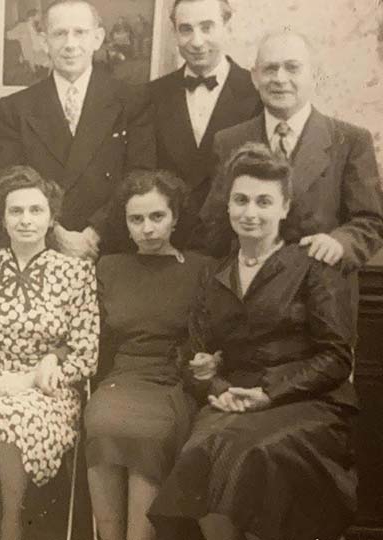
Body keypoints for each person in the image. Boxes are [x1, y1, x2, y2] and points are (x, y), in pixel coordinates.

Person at [149, 143, 358, 540]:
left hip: (305, 403)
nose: (251, 212)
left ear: (284, 207)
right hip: (232, 403)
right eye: (241, 200)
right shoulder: (216, 274)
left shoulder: (311, 266)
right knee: (200, 453)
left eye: (264, 202)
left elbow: (335, 358)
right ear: (227, 206)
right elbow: (190, 353)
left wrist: (269, 393)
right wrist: (211, 382)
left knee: (249, 454)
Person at [0, 165, 99, 540]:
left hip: (46, 386)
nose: (25, 220)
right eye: (16, 211)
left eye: (35, 210)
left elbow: (86, 353)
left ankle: (12, 521)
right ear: (3, 218)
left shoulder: (76, 272)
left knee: (14, 417)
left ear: (51, 218)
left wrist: (31, 378)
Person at [84, 170, 211, 540]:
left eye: (158, 217)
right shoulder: (109, 267)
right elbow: (96, 337)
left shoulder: (200, 268)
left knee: (150, 434)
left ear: (175, 218)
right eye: (136, 219)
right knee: (101, 423)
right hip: (120, 380)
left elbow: (207, 339)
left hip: (171, 382)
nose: (148, 228)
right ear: (125, 223)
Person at [200, 30, 383, 270]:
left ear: (314, 75)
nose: (280, 78)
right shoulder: (229, 141)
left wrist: (340, 243)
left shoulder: (350, 141)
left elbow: (371, 221)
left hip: (321, 288)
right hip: (249, 290)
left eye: (293, 68)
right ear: (255, 77)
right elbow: (214, 224)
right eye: (270, 69)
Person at [0, 0, 155, 259]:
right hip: (40, 247)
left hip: (111, 248)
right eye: (59, 34)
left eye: (80, 33)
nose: (70, 44)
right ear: (45, 41)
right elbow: (11, 181)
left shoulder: (131, 100)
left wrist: (95, 231)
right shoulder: (15, 109)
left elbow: (139, 177)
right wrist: (55, 232)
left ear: (98, 38)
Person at [130, 0, 262, 249]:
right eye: (186, 29)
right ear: (175, 34)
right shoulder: (152, 95)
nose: (197, 41)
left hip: (235, 245)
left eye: (207, 27)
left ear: (227, 26)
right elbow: (142, 174)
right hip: (170, 245)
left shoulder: (256, 92)